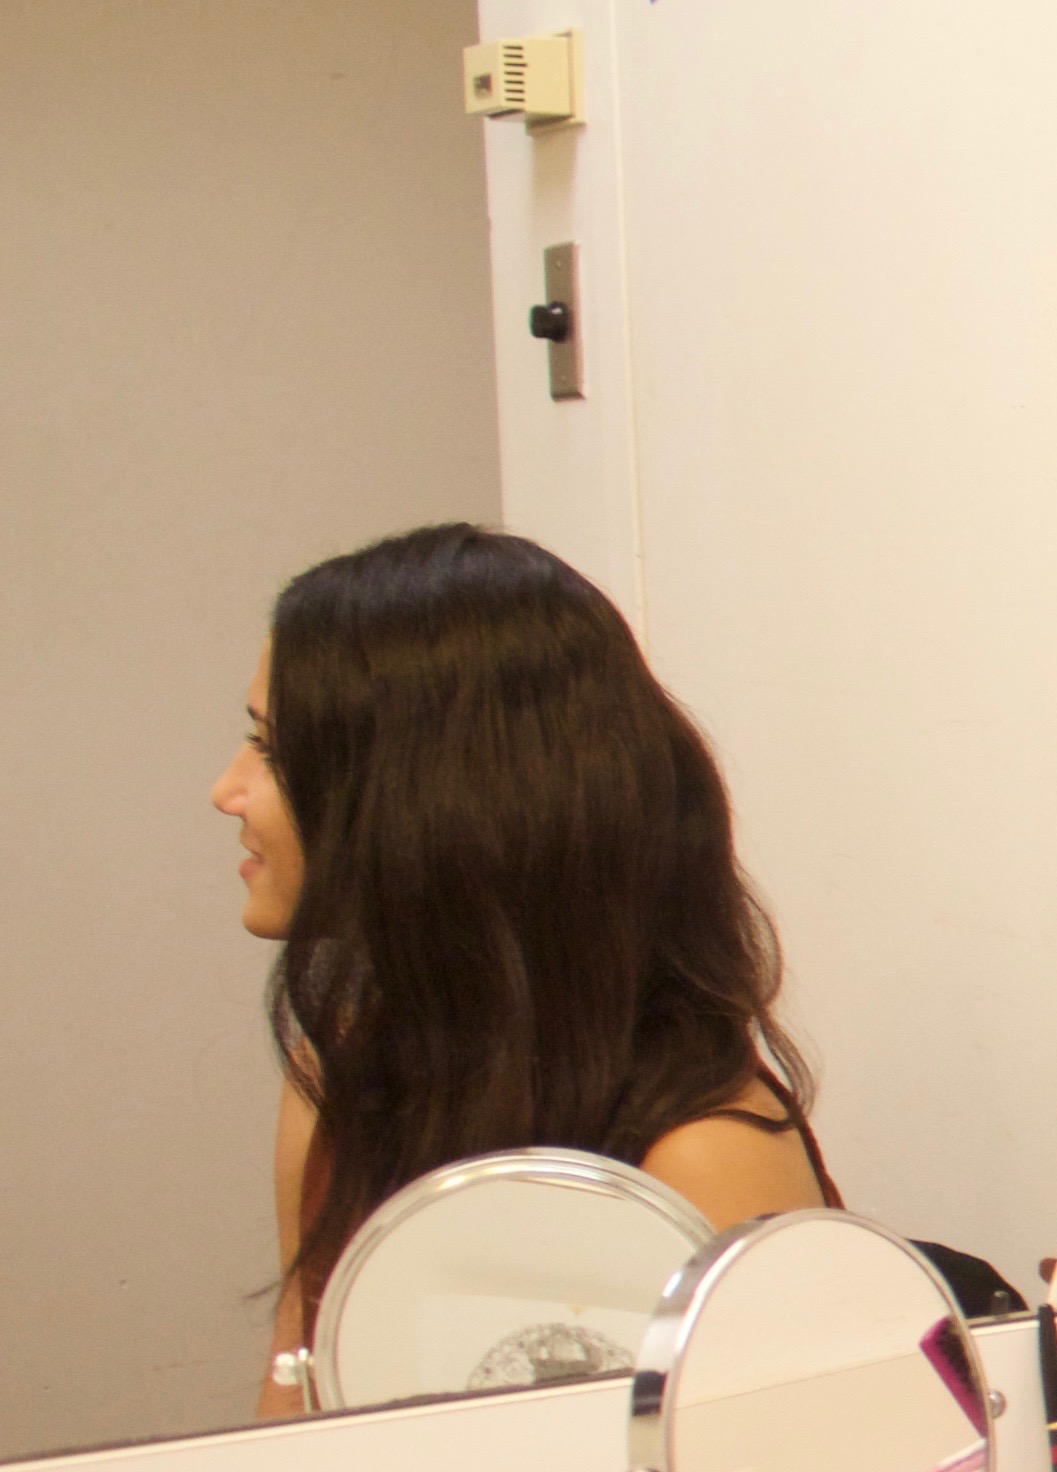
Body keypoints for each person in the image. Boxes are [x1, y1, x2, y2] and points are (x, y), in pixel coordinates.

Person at [219, 525, 832, 1413]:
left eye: (271, 752)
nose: (227, 790)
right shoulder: (341, 1067)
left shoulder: (703, 1157)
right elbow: (295, 1419)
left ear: (423, 801)